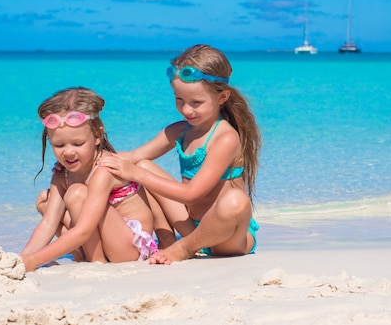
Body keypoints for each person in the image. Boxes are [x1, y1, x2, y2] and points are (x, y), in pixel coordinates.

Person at [98, 44, 261, 264]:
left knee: (235, 201)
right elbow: (133, 157)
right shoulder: (179, 130)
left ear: (222, 97)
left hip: (227, 236)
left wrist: (135, 173)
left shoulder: (225, 138)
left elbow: (192, 194)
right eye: (179, 100)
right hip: (191, 227)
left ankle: (183, 248)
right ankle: (166, 239)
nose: (186, 110)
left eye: (196, 103)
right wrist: (89, 161)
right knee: (144, 165)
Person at [20, 87, 166, 272]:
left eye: (78, 144)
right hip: (101, 237)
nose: (68, 152)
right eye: (58, 145)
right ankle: (84, 256)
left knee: (76, 194)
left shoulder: (105, 170)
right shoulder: (62, 173)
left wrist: (34, 261)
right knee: (45, 200)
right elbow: (49, 223)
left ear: (97, 136)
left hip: (129, 248)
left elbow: (84, 230)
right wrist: (23, 257)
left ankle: (97, 262)